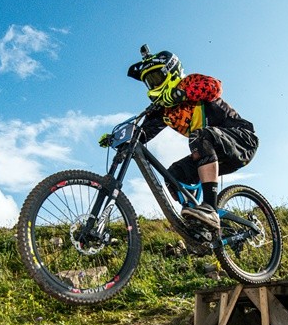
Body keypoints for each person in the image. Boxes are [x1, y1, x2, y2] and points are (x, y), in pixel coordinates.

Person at [104, 46, 258, 230]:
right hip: (212, 153)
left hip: (241, 140)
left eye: (156, 78)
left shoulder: (189, 83)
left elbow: (214, 87)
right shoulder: (164, 111)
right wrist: (117, 138)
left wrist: (182, 94)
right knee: (173, 174)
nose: (153, 85)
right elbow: (143, 133)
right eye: (149, 82)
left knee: (200, 135)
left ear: (171, 71)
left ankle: (209, 208)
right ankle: (199, 222)